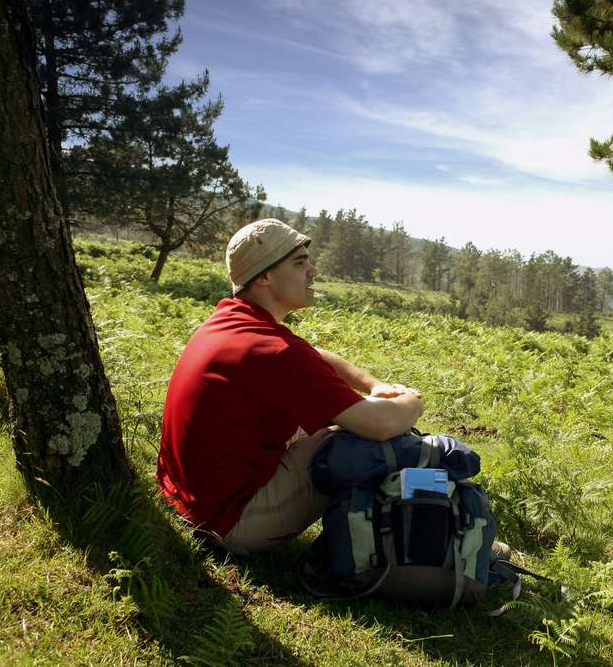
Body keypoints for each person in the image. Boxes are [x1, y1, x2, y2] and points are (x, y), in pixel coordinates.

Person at [156, 218, 424, 554]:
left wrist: (374, 384)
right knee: (355, 444)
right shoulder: (274, 352)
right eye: (299, 263)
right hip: (227, 524)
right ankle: (430, 537)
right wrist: (411, 400)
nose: (312, 271)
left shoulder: (232, 323)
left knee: (331, 421)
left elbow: (313, 356)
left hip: (184, 502)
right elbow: (380, 424)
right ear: (265, 277)